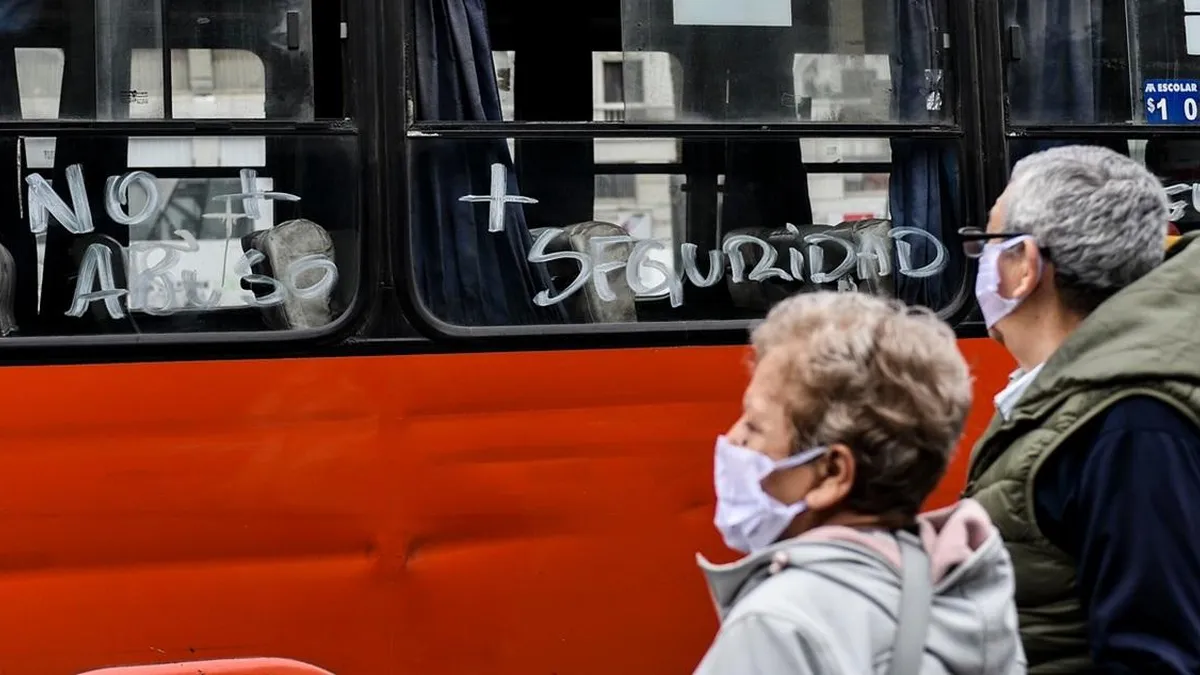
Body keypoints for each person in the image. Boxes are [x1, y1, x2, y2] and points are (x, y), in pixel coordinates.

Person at [693, 291, 1025, 675]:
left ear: (833, 473)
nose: (732, 439)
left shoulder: (778, 626)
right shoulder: (973, 601)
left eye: (754, 426)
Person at [960, 144, 1200, 673]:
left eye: (988, 242)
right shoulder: (1077, 391)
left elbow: (1153, 654)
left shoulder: (1133, 423)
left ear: (1025, 267)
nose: (979, 258)